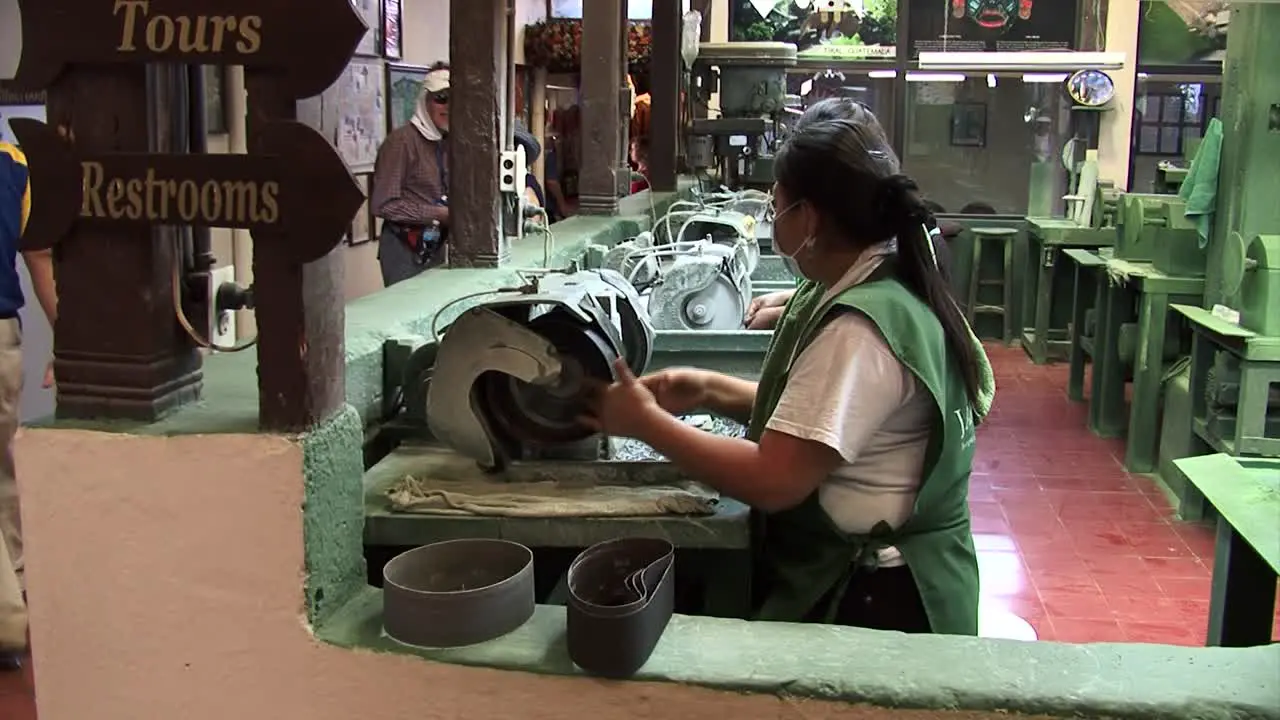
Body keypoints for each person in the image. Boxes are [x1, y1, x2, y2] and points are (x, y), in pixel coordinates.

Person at [580, 111, 994, 634]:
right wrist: (706, 389)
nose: (773, 220)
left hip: (879, 602)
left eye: (776, 205)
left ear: (811, 218)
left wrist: (646, 423)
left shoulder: (860, 332)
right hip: (894, 578)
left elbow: (774, 479)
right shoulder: (886, 278)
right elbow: (828, 426)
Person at [747, 98, 951, 330]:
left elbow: (858, 304)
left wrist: (780, 315)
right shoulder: (870, 250)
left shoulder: (864, 319)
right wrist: (788, 299)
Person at [0, 141, 57, 671]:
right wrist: (67, 339)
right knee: (3, 474)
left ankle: (6, 621)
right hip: (3, 342)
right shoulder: (14, 163)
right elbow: (39, 257)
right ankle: (17, 586)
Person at [371, 62, 450, 287]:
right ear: (425, 101)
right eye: (441, 98)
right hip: (403, 248)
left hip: (436, 247)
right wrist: (439, 214)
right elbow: (382, 204)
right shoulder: (402, 142)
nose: (448, 106)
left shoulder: (449, 143)